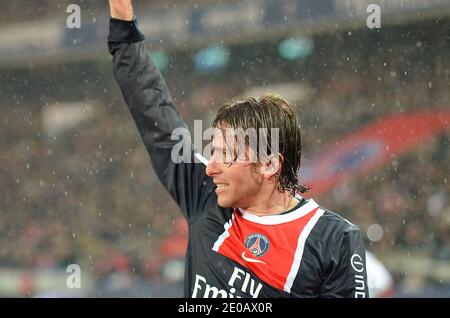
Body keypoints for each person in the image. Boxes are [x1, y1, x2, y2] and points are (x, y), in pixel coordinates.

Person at [107, 0, 369, 298]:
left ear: (269, 164)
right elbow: (153, 109)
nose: (210, 166)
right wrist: (123, 27)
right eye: (212, 150)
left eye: (225, 154)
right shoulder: (205, 196)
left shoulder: (334, 240)